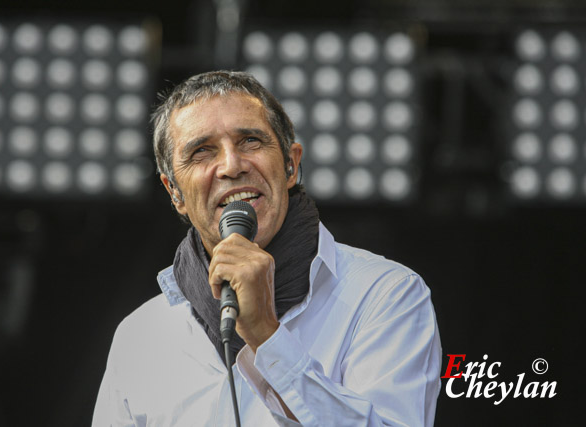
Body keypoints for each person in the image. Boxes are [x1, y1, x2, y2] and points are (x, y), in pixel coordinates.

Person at [92, 70, 441, 426]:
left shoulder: (386, 294)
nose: (231, 165)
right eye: (201, 151)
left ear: (291, 165)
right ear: (175, 193)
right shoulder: (141, 334)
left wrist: (266, 335)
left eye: (250, 142)